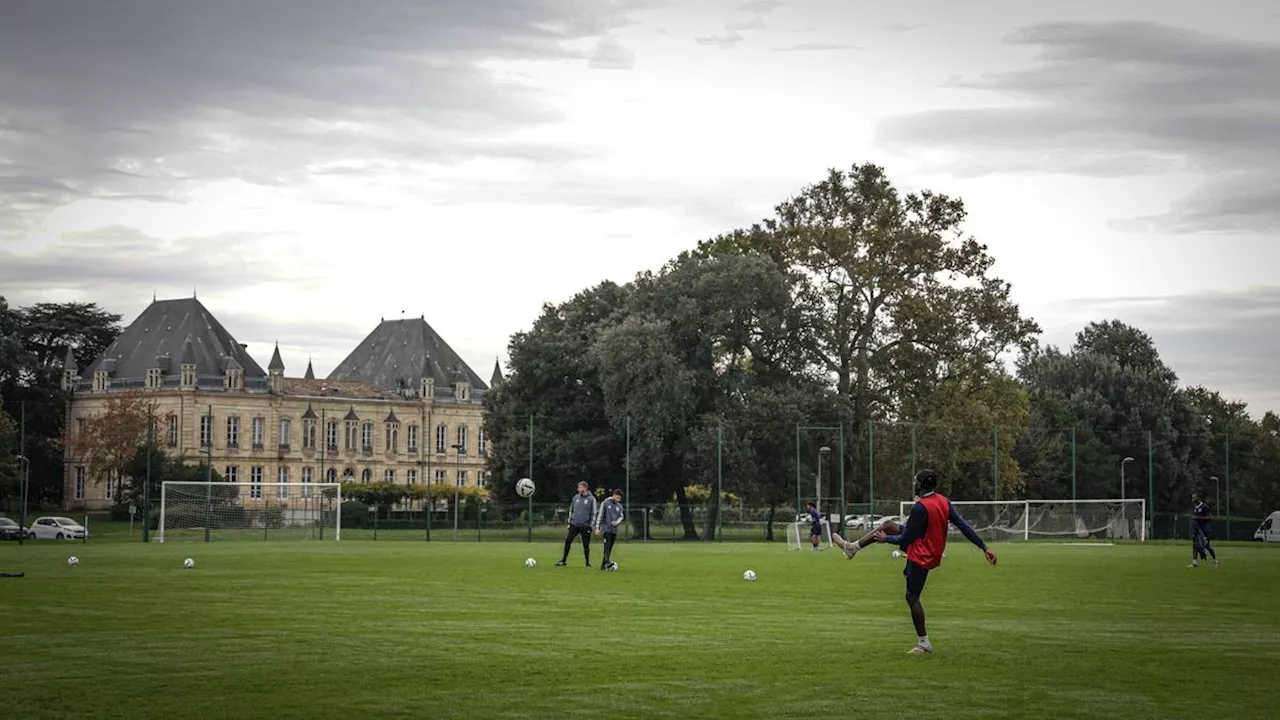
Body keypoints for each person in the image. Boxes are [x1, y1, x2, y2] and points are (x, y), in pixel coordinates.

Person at [831, 469, 997, 654]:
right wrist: (984, 547)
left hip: (922, 553)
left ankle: (924, 644)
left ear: (920, 484)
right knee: (888, 525)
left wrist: (886, 540)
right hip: (930, 548)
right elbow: (964, 526)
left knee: (911, 596)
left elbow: (905, 539)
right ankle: (853, 547)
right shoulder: (944, 501)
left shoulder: (920, 507)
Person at [556, 481, 598, 567]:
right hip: (574, 524)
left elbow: (594, 513)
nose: (578, 489)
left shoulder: (591, 499)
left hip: (585, 526)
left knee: (586, 545)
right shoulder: (575, 498)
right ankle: (563, 560)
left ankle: (587, 563)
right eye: (578, 488)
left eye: (580, 487)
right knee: (568, 541)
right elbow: (571, 510)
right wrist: (569, 522)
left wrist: (591, 525)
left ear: (585, 488)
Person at [594, 488, 624, 570]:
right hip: (606, 529)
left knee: (610, 547)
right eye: (618, 497)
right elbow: (600, 515)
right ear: (614, 495)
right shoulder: (605, 503)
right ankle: (608, 562)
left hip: (614, 530)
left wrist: (617, 522)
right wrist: (597, 528)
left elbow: (621, 516)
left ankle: (603, 566)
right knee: (606, 546)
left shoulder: (619, 506)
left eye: (620, 498)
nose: (619, 500)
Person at [1189, 492, 1219, 568]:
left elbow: (1210, 517)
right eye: (1192, 498)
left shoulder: (1204, 506)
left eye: (1194, 498)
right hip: (1197, 530)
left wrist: (1198, 518)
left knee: (1206, 546)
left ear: (1198, 498)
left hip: (1205, 530)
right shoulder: (1195, 508)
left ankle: (1215, 560)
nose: (1193, 499)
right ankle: (1194, 562)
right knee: (1195, 545)